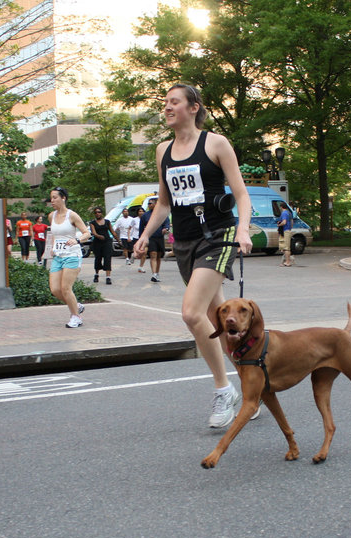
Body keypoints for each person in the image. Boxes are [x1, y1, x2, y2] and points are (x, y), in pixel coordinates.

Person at [132, 83, 256, 429]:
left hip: (218, 237)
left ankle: (224, 390)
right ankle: (251, 385)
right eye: (165, 102)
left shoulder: (215, 143)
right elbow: (164, 203)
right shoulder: (163, 151)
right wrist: (145, 236)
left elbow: (242, 194)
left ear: (193, 107)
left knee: (191, 313)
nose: (167, 107)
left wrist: (243, 229)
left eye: (174, 102)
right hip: (184, 242)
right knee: (219, 322)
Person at [46, 187, 91, 327]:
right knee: (55, 289)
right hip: (58, 256)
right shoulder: (51, 216)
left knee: (66, 288)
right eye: (51, 198)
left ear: (63, 198)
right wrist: (52, 248)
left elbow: (86, 233)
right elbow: (55, 234)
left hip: (72, 254)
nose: (52, 201)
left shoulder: (72, 215)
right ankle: (76, 305)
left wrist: (76, 240)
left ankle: (76, 317)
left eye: (55, 197)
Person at [139, 197, 169, 281]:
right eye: (148, 203)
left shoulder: (161, 214)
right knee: (153, 255)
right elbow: (141, 228)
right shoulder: (145, 215)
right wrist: (140, 239)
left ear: (155, 204)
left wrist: (165, 228)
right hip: (150, 238)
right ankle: (154, 274)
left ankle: (157, 272)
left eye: (150, 203)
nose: (149, 205)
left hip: (159, 237)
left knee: (158, 256)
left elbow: (166, 223)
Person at [88, 206, 115, 284]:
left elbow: (112, 231)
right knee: (98, 258)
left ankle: (108, 277)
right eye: (96, 212)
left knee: (107, 258)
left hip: (107, 241)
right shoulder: (92, 223)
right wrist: (98, 236)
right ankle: (96, 274)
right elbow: (94, 232)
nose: (97, 214)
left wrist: (118, 240)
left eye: (99, 212)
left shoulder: (107, 222)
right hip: (97, 242)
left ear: (102, 213)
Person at [276, 200, 294, 266]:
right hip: (288, 230)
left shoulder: (284, 213)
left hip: (285, 231)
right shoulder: (289, 213)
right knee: (285, 246)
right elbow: (292, 222)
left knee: (286, 247)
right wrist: (290, 228)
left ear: (281, 207)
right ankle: (286, 260)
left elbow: (284, 222)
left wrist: (279, 225)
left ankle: (287, 262)